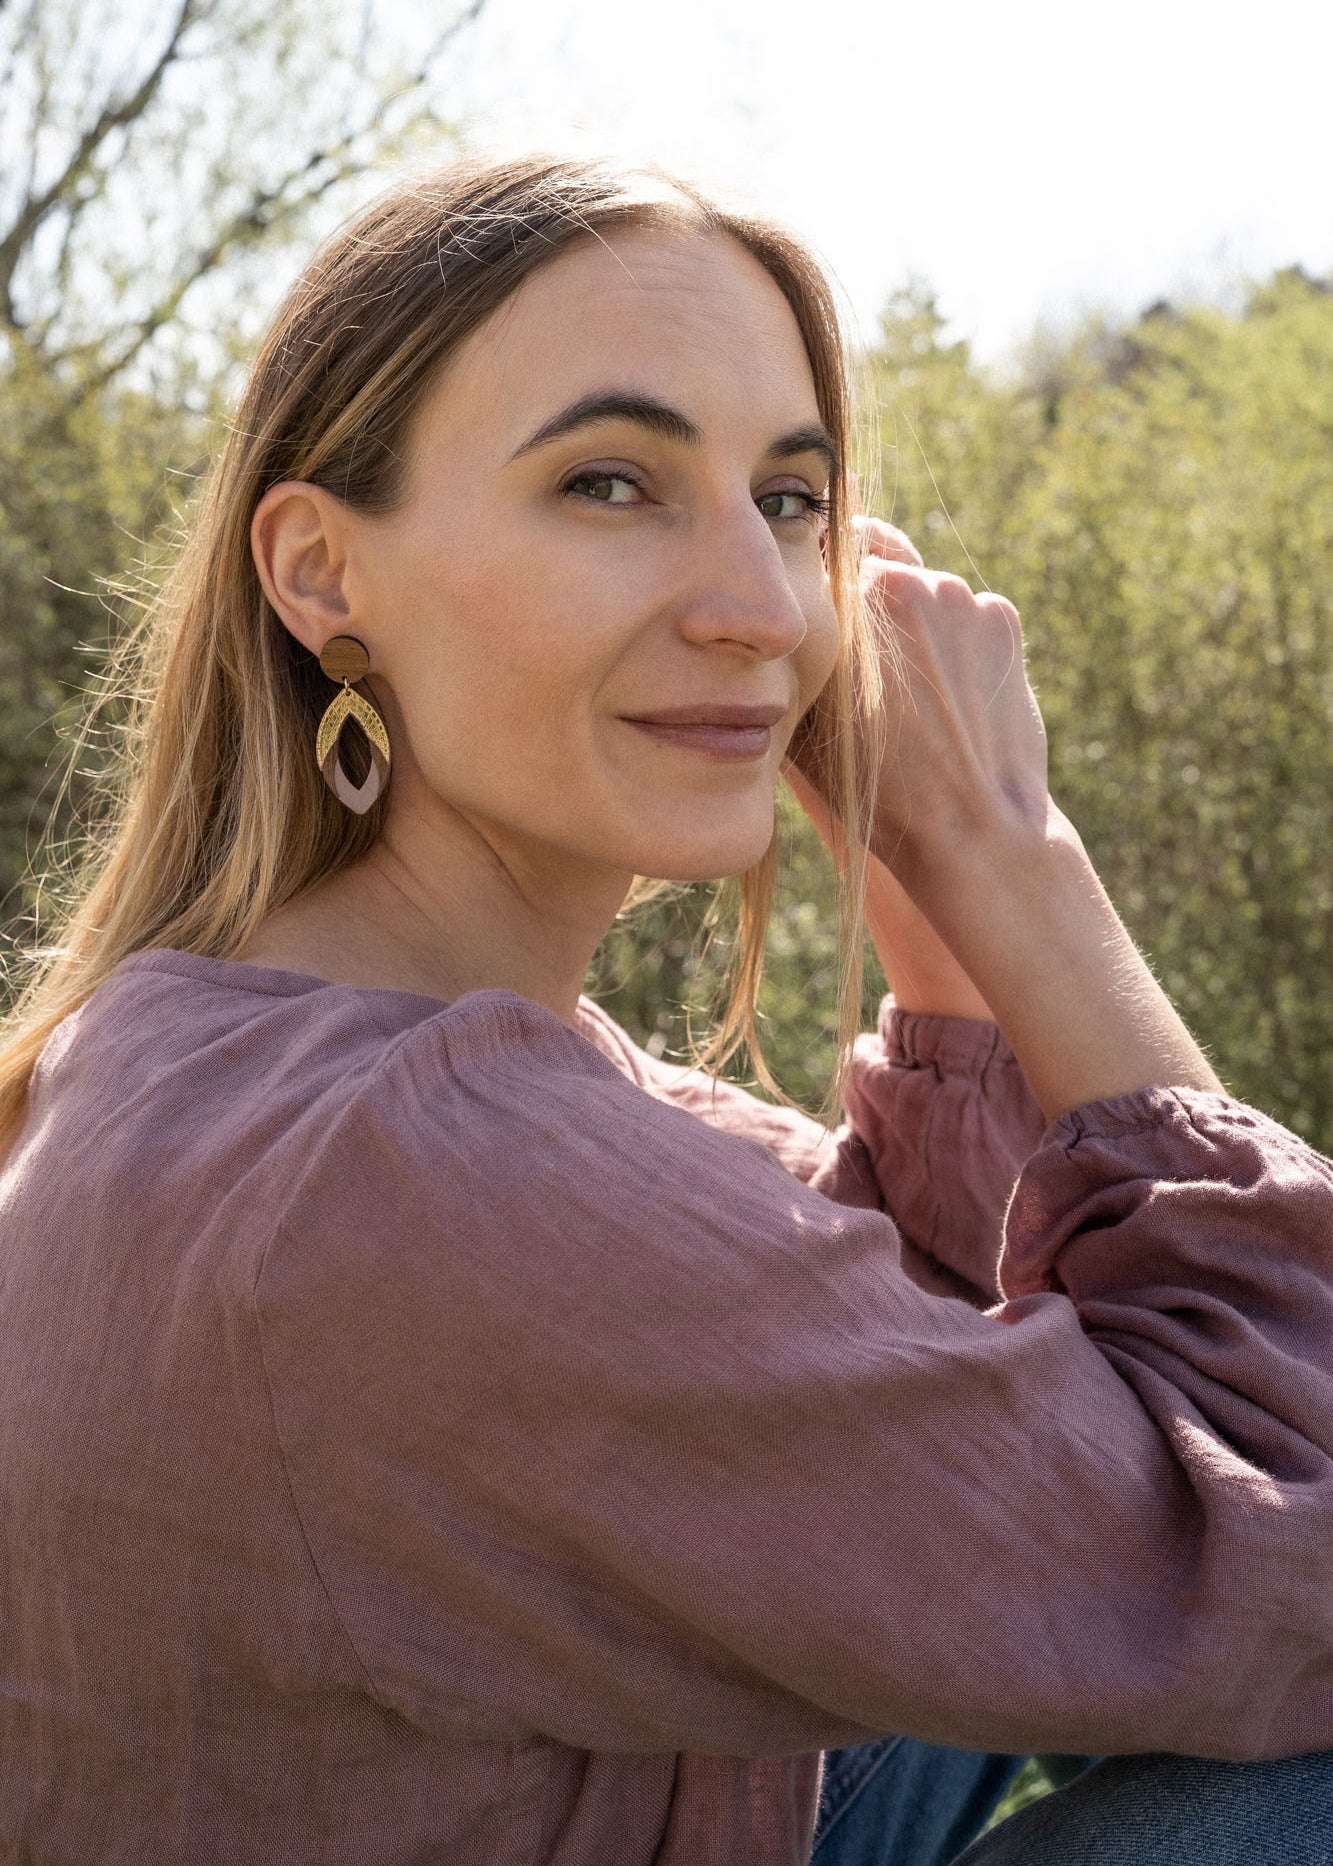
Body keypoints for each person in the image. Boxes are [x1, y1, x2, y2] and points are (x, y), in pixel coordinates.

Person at [0, 151, 1329, 1866]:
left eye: (787, 499)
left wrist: (924, 919)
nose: (764, 610)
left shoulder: (219, 1037)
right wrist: (1013, 858)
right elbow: (1287, 1535)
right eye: (611, 482)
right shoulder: (422, 1166)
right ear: (323, 574)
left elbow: (923, 1378)